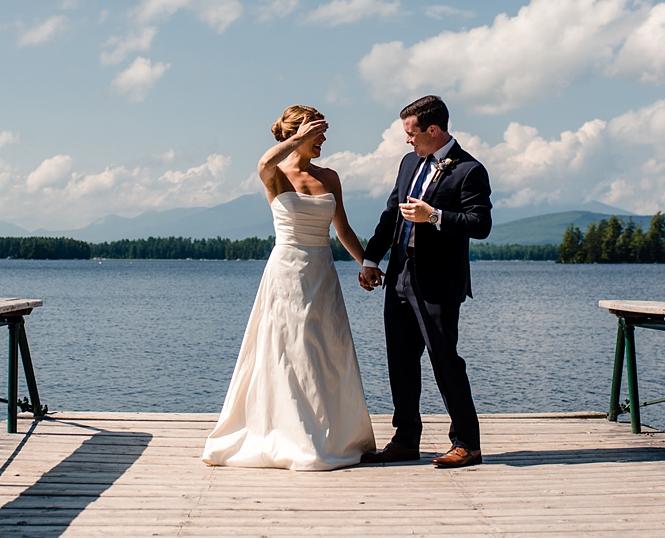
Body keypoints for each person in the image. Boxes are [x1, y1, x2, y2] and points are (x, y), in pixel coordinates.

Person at [202, 105, 377, 470]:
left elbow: (341, 228)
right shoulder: (275, 175)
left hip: (322, 273)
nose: (324, 141)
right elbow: (264, 162)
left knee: (327, 351)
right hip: (287, 273)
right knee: (291, 350)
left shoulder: (330, 176)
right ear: (298, 134)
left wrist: (366, 263)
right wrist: (298, 140)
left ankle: (336, 435)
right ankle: (293, 434)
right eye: (318, 134)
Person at [357, 95, 491, 468]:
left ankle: (467, 444)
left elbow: (481, 225)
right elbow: (391, 215)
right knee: (400, 361)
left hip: (438, 283)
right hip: (398, 277)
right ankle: (405, 440)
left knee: (445, 360)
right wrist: (371, 259)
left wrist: (434, 216)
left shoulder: (469, 170)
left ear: (433, 130)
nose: (407, 140)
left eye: (410, 133)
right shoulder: (407, 164)